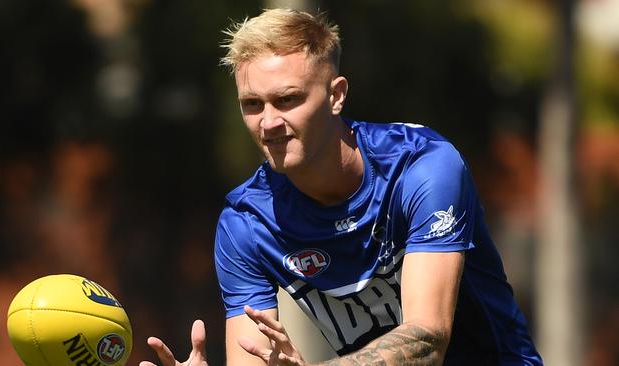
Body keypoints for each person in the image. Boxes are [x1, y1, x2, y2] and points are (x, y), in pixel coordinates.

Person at [140, 8, 543, 366]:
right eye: (252, 104)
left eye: (287, 100)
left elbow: (427, 339)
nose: (268, 123)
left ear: (336, 95)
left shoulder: (422, 167)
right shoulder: (245, 223)